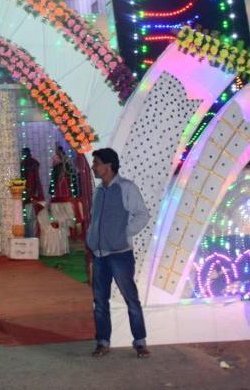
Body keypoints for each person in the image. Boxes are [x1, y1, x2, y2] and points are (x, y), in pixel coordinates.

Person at [86, 147, 150, 358]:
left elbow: (142, 215)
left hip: (120, 254)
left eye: (96, 163)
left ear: (108, 165)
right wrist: (91, 239)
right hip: (99, 254)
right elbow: (95, 218)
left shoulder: (126, 187)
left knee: (131, 299)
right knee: (100, 301)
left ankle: (140, 342)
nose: (94, 167)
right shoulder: (98, 191)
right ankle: (103, 342)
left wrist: (124, 234)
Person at [21, 147, 45, 237]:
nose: (22, 155)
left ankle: (32, 237)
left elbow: (35, 179)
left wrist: (34, 193)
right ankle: (29, 236)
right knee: (27, 218)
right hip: (25, 194)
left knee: (31, 217)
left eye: (23, 153)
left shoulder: (32, 163)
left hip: (31, 194)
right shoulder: (23, 164)